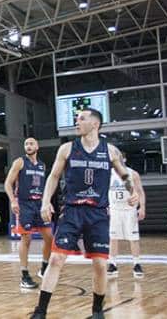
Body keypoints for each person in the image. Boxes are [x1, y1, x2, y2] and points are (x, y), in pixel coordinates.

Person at [31, 108, 137, 319]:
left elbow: (125, 175)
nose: (76, 121)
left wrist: (133, 193)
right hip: (71, 211)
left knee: (100, 264)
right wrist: (45, 202)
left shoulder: (110, 151)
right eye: (76, 118)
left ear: (95, 124)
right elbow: (53, 177)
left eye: (81, 118)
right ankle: (40, 311)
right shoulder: (67, 149)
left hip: (98, 214)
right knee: (55, 260)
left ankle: (97, 311)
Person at [4, 137, 53, 289]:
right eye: (26, 144)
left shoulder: (42, 166)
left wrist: (48, 202)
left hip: (39, 204)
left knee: (49, 237)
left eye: (31, 143)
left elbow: (45, 187)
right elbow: (7, 183)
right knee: (26, 238)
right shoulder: (20, 162)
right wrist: (13, 200)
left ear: (37, 146)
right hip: (24, 204)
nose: (28, 146)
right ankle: (24, 275)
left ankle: (44, 268)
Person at [107, 151, 146, 278]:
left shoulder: (133, 174)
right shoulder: (108, 174)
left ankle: (137, 264)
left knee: (133, 238)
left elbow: (140, 191)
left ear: (124, 158)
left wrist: (142, 207)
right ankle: (112, 264)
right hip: (115, 209)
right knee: (113, 237)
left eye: (120, 157)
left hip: (129, 209)